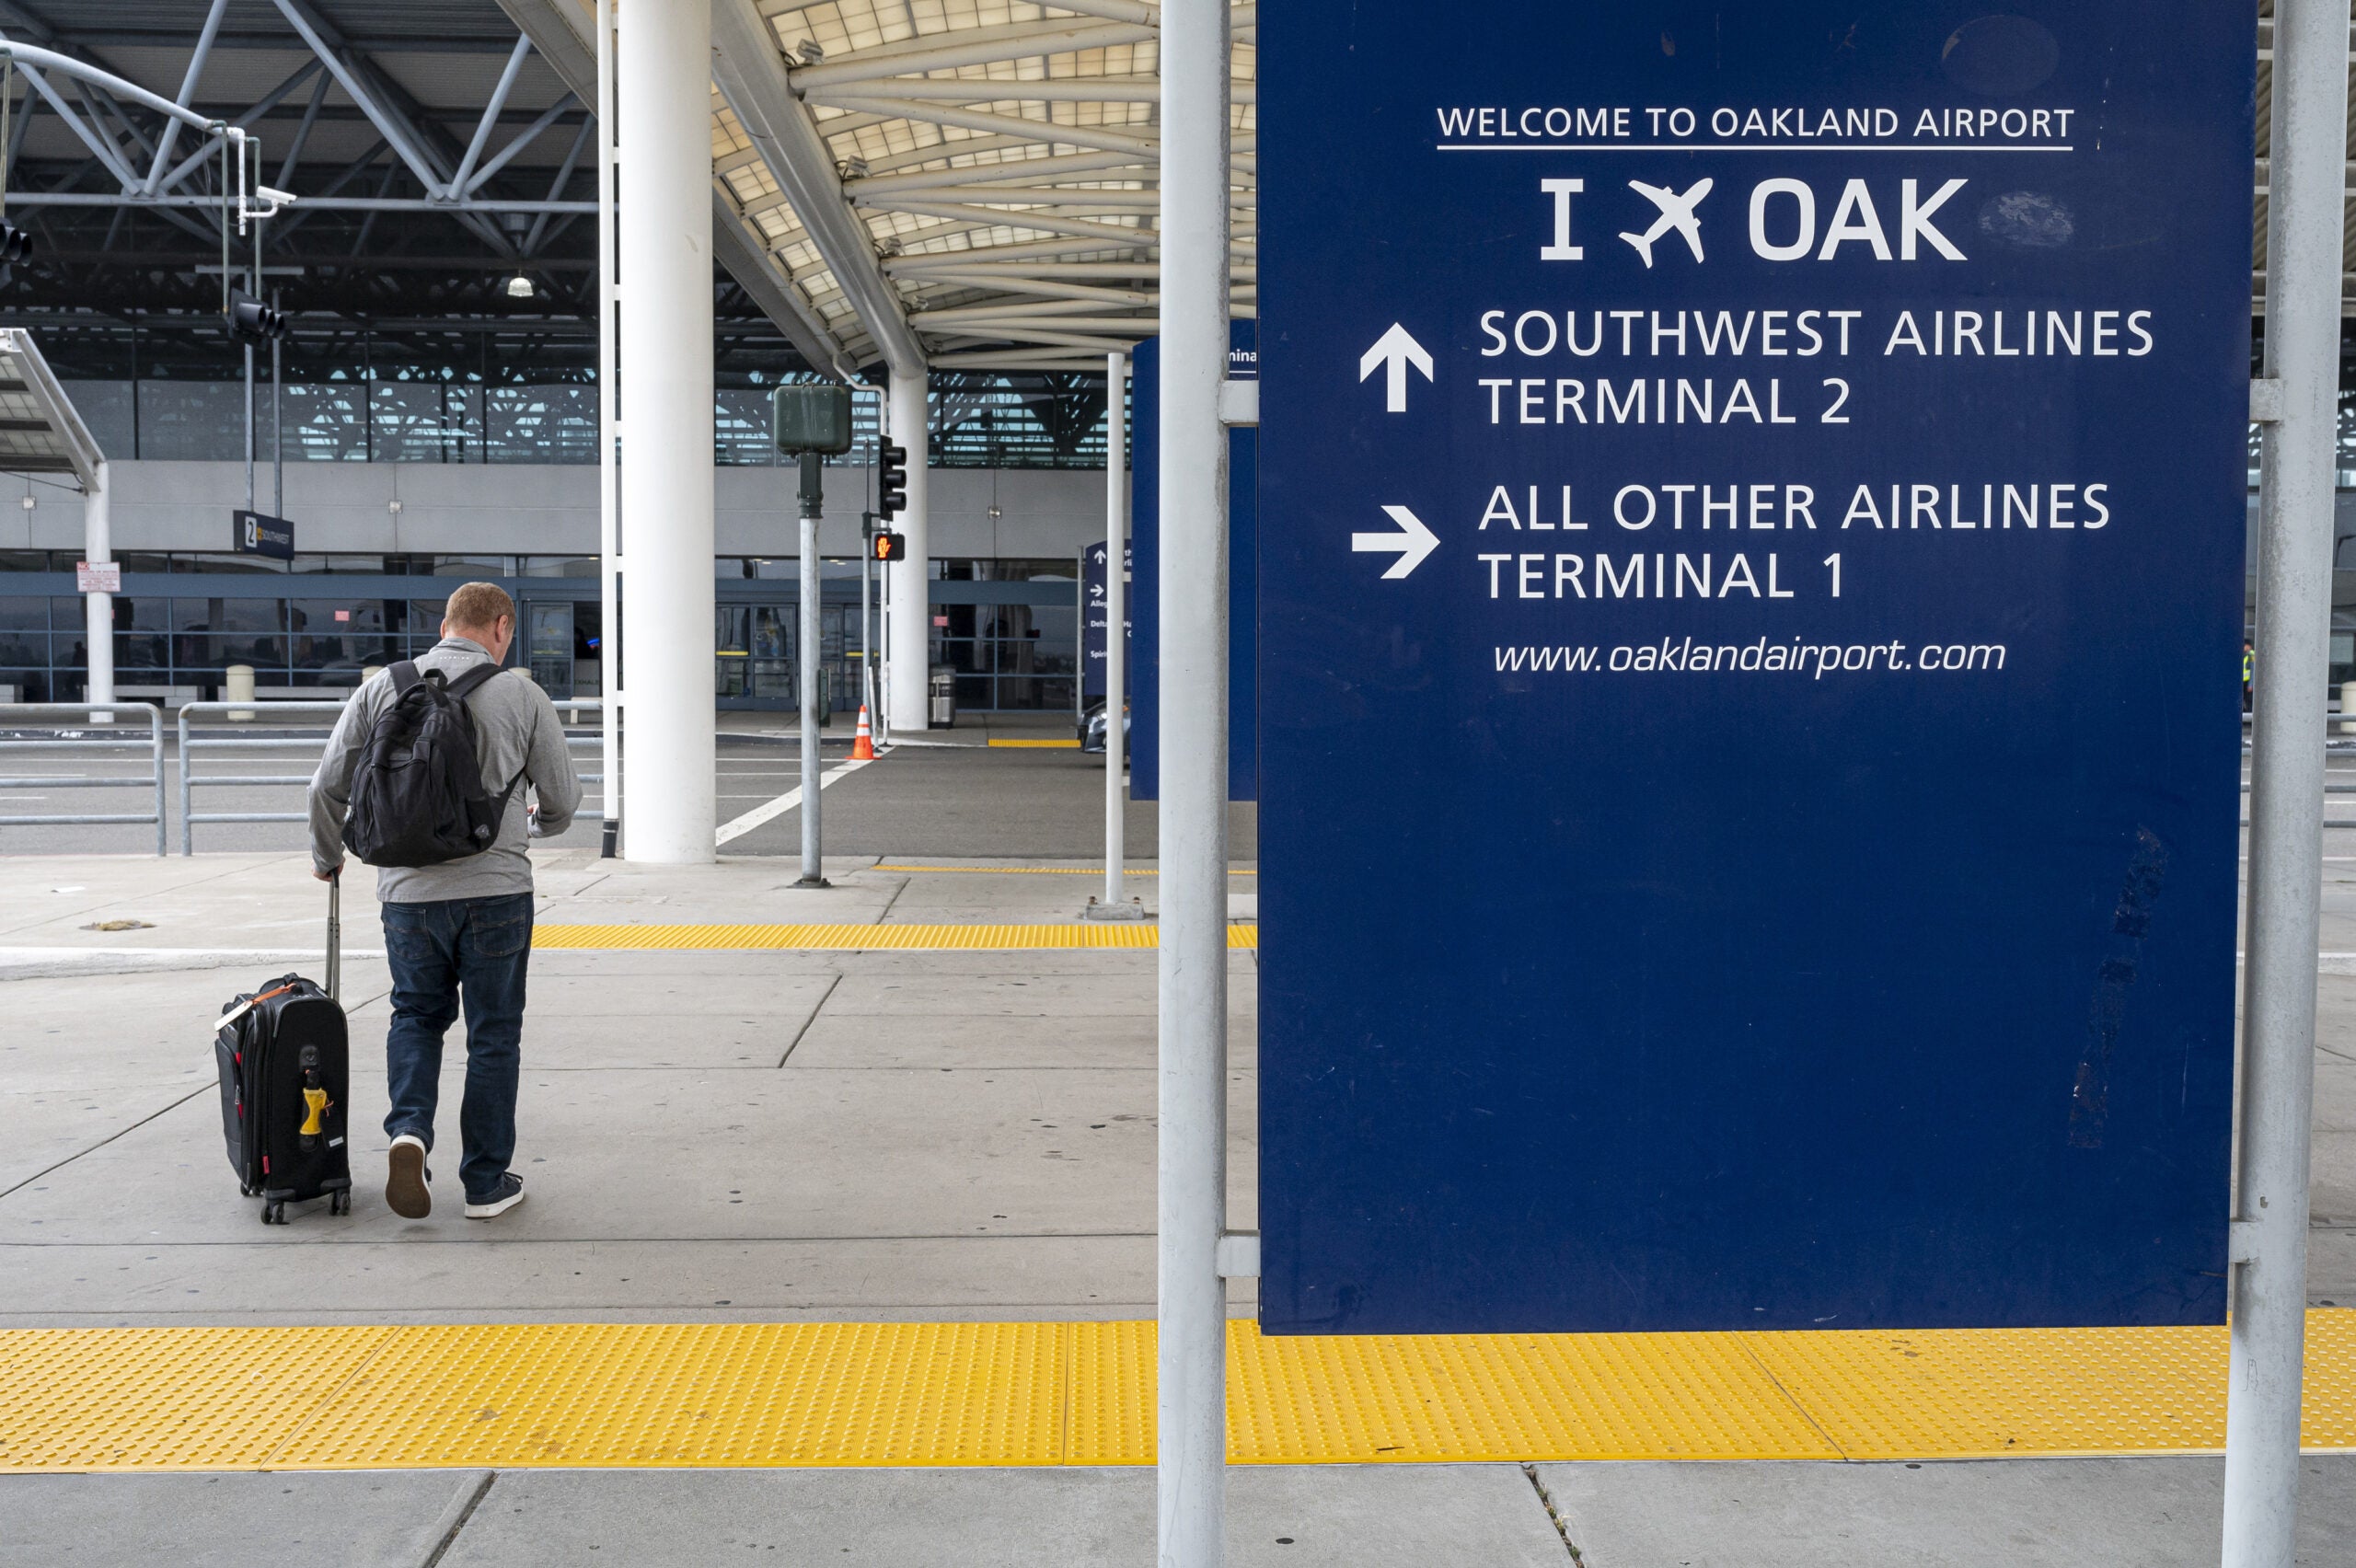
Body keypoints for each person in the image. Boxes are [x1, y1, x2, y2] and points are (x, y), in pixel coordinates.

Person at [306, 582, 581, 1221]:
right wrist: (530, 826)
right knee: (493, 1035)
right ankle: (485, 1184)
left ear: (446, 626)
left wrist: (327, 858)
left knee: (415, 1016)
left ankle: (409, 1132)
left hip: (406, 894)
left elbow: (326, 786)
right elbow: (563, 802)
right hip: (497, 893)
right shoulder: (521, 693)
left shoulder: (383, 687)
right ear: (501, 627)